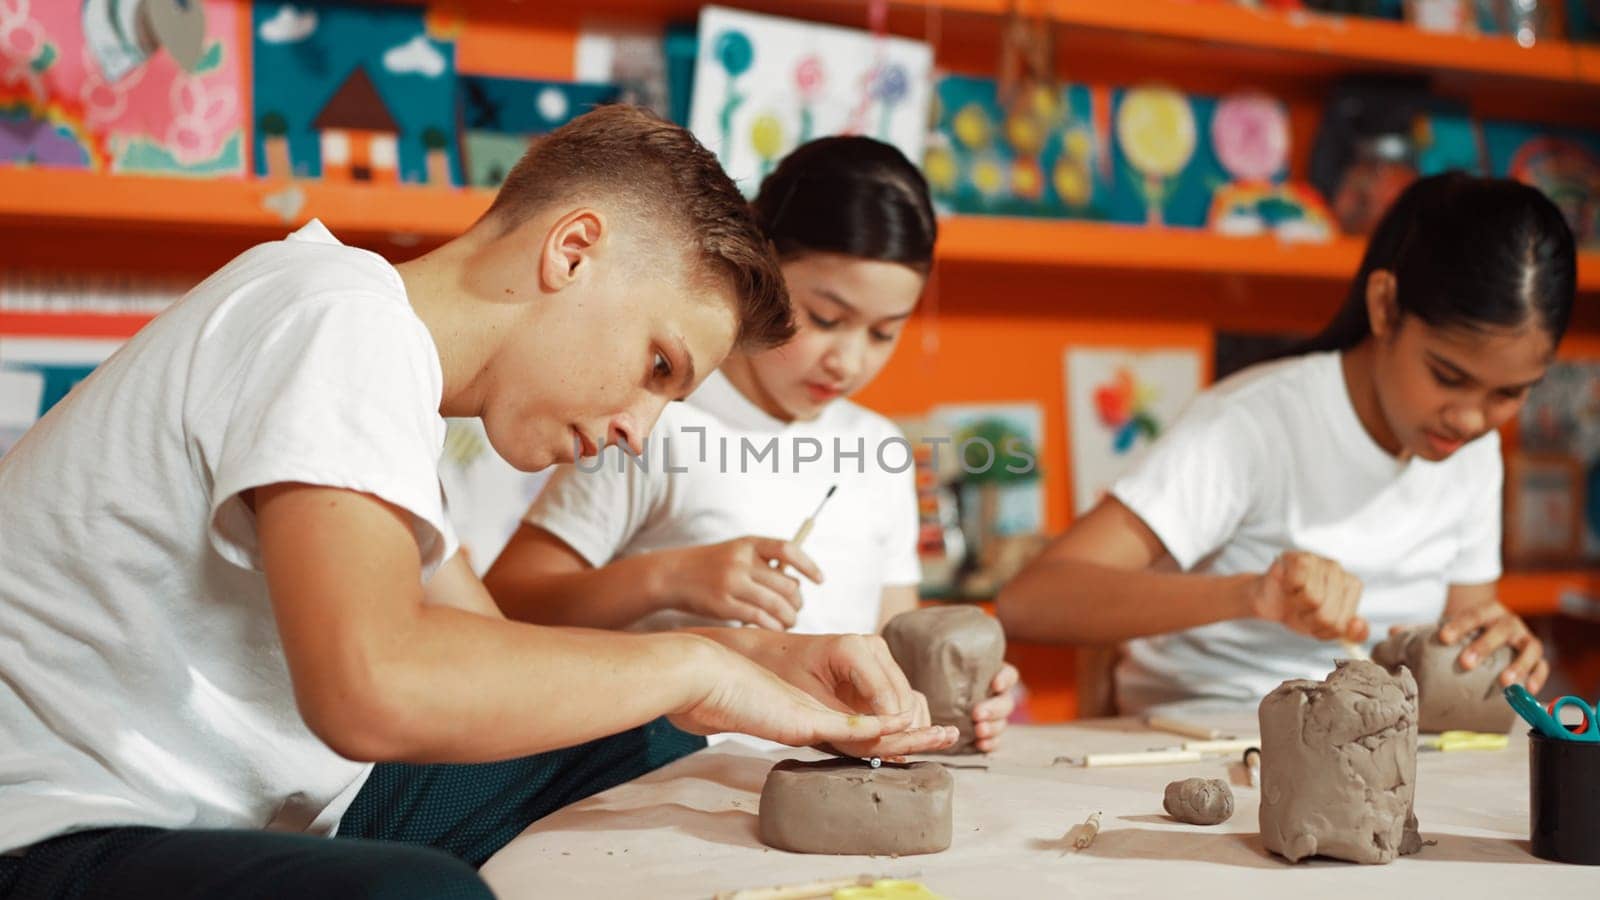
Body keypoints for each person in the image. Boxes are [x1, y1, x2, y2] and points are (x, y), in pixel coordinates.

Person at [0, 107, 953, 900]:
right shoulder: (337, 320)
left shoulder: (375, 366)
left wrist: (750, 660)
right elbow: (371, 690)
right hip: (55, 832)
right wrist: (696, 667)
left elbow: (495, 652)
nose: (642, 428)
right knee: (426, 898)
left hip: (221, 812)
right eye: (658, 366)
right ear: (572, 251)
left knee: (629, 731)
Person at [486, 137, 1018, 751]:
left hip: (833, 782)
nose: (847, 361)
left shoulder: (879, 447)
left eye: (883, 333)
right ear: (760, 262)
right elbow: (505, 607)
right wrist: (667, 578)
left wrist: (957, 684)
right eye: (824, 318)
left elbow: (896, 646)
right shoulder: (652, 413)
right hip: (653, 782)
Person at [998, 173, 1573, 713]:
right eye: (1448, 377)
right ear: (1384, 308)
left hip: (1373, 748)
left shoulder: (1471, 450)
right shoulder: (1252, 426)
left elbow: (1461, 643)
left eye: (1509, 394)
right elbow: (1033, 601)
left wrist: (1492, 645)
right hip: (1206, 750)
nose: (1472, 419)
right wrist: (1253, 595)